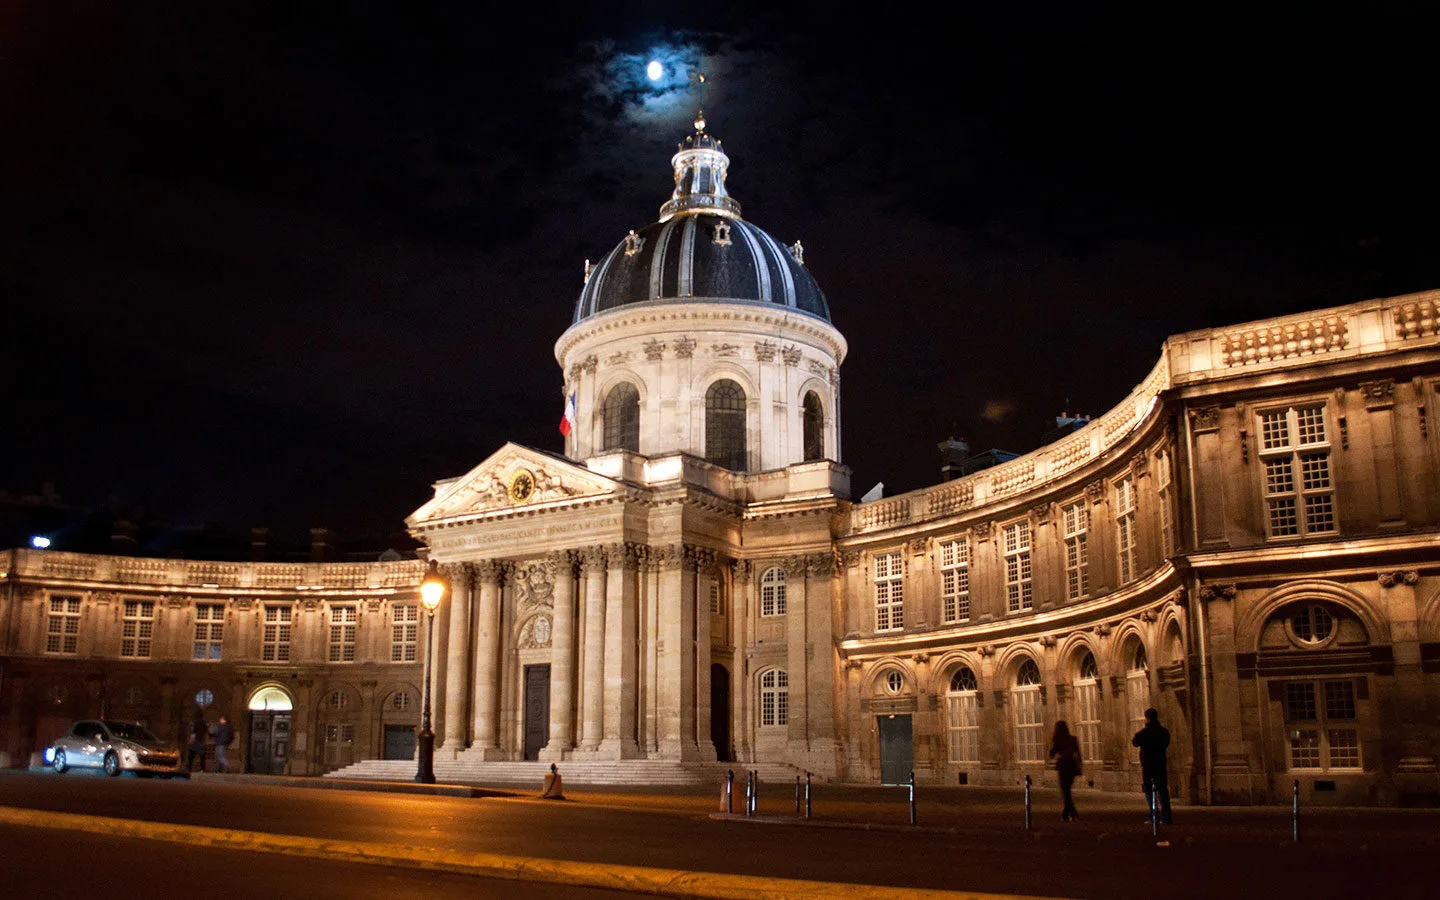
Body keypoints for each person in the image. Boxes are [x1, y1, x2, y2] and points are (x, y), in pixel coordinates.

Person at [1132, 707, 1173, 824]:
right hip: (1160, 764)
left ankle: (1153, 816)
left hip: (1148, 765)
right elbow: (1166, 743)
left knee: (1149, 791)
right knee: (1163, 791)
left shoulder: (1143, 733)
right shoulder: (1164, 731)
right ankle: (1166, 816)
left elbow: (1135, 742)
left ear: (1147, 718)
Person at [1049, 720, 1083, 821]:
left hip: (1063, 767)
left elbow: (1052, 754)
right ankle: (1068, 813)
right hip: (1072, 766)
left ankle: (1070, 812)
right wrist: (1079, 767)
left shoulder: (1057, 739)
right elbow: (1079, 755)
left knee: (1065, 791)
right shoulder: (1073, 739)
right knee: (1067, 791)